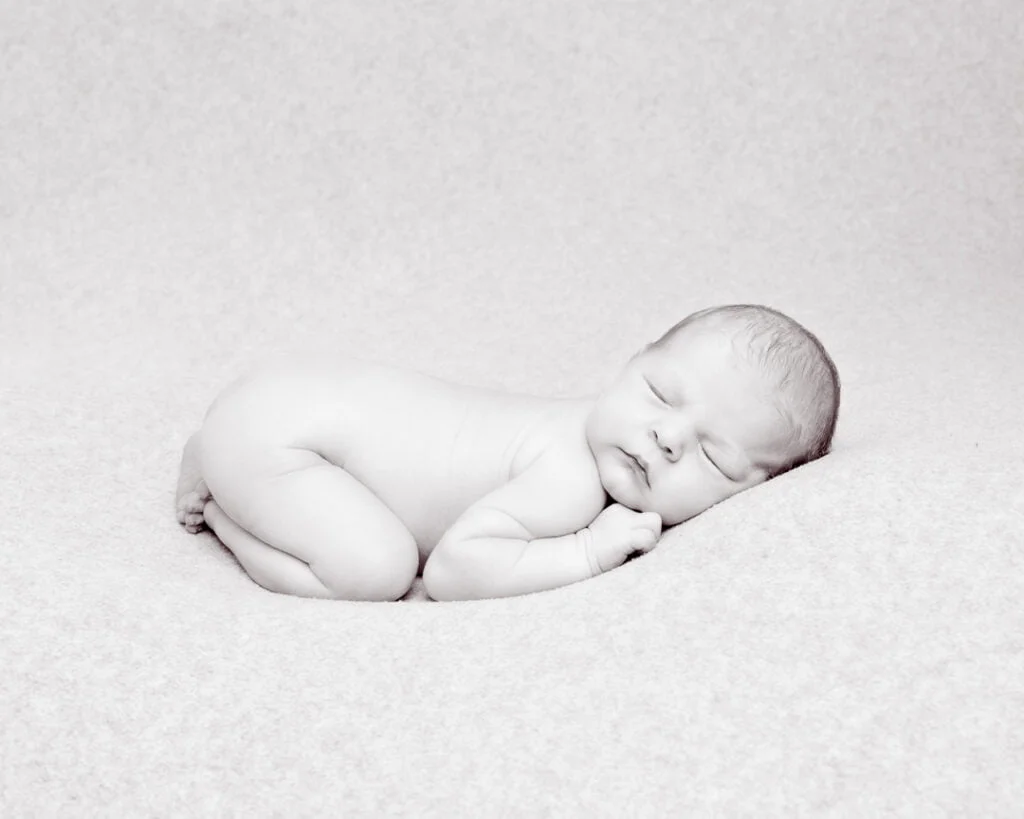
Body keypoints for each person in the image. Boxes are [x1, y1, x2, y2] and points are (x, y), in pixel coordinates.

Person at [175, 304, 840, 602]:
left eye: (715, 459)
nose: (667, 436)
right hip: (282, 439)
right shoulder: (571, 477)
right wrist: (587, 552)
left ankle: (223, 453)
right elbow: (456, 571)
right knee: (375, 571)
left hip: (288, 395)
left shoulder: (582, 429)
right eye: (660, 392)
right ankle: (224, 497)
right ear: (631, 361)